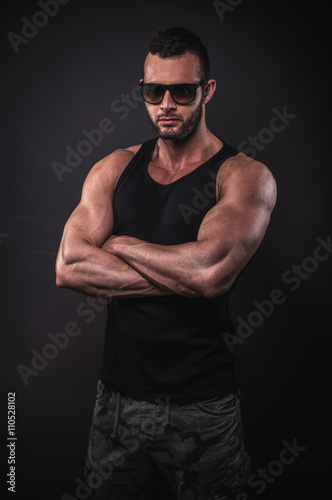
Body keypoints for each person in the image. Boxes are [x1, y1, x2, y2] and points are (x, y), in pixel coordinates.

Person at [56, 27, 277, 500]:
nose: (167, 103)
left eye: (182, 90)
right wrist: (188, 276)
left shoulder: (244, 176)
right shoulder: (114, 168)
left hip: (204, 408)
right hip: (116, 406)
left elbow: (210, 271)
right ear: (144, 92)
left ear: (207, 91)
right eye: (154, 90)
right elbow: (70, 265)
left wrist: (121, 243)